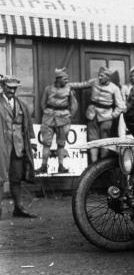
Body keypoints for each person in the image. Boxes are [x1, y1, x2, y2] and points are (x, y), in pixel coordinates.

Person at [0, 76, 37, 218]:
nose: (11, 90)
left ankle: (18, 208)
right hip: (1, 146)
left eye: (14, 88)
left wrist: (32, 142)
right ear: (3, 87)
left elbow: (28, 125)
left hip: (18, 146)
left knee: (16, 178)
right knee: (0, 178)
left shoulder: (21, 104)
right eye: (8, 87)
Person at [73, 67, 125, 162]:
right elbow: (81, 85)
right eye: (99, 75)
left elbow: (120, 106)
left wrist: (112, 116)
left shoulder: (114, 88)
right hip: (92, 115)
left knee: (104, 143)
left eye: (102, 76)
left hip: (106, 118)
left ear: (108, 77)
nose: (99, 78)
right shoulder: (94, 82)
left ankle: (102, 168)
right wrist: (69, 85)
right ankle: (94, 166)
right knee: (93, 141)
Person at [36, 68, 78, 174]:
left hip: (63, 118)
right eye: (65, 79)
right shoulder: (48, 89)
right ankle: (43, 166)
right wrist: (47, 112)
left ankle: (61, 166)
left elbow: (74, 105)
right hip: (48, 118)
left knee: (61, 144)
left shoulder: (69, 90)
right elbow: (42, 103)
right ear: (58, 79)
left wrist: (69, 117)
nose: (67, 81)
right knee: (46, 143)